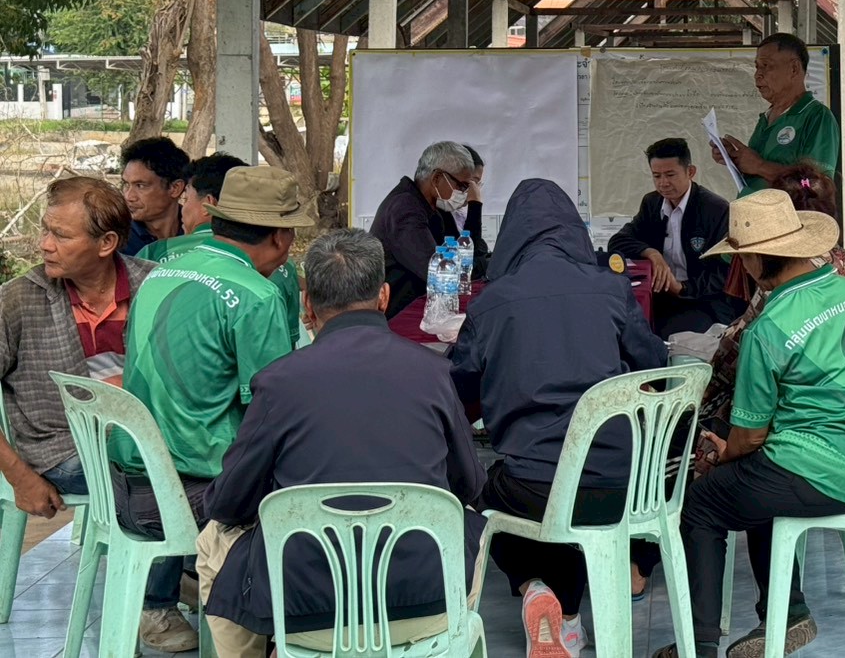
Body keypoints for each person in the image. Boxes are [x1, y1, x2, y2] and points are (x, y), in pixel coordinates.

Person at [197, 230, 488, 658]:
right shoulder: (434, 373)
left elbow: (228, 503)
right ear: (384, 296)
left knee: (213, 540)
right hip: (428, 607)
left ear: (307, 305)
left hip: (307, 620)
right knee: (468, 521)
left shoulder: (278, 383)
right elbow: (470, 485)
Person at [650, 189, 845, 658]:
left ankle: (698, 646)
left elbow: (749, 436)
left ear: (753, 259)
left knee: (703, 503)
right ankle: (787, 613)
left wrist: (724, 452)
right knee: (755, 482)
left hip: (823, 471)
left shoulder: (768, 328)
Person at [450, 179, 668, 658]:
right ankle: (571, 613)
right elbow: (655, 363)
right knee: (568, 486)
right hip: (622, 485)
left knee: (483, 498)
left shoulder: (491, 302)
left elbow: (458, 389)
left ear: (510, 235)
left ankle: (536, 588)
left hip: (534, 486)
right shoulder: (611, 288)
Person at [113, 166, 311, 652]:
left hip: (124, 485)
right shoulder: (257, 294)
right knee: (314, 481)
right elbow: (275, 414)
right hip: (184, 496)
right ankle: (290, 635)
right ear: (281, 237)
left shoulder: (161, 271)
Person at [692, 163, 845, 479]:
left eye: (745, 257)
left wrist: (696, 395)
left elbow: (737, 352)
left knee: (703, 456)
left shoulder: (782, 290)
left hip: (802, 431)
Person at [0, 178, 149, 516]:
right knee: (173, 480)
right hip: (63, 451)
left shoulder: (152, 284)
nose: (45, 245)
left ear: (106, 243)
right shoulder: (19, 299)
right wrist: (20, 477)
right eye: (45, 230)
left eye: (61, 236)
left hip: (145, 438)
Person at [138, 154, 304, 349]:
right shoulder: (261, 294)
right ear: (279, 236)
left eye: (186, 199)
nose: (182, 209)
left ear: (210, 206)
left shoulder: (154, 263)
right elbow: (280, 363)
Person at [610, 138, 736, 336]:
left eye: (670, 175)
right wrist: (651, 254)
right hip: (659, 294)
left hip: (702, 301)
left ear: (690, 172)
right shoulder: (652, 203)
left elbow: (725, 274)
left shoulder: (716, 209)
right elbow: (618, 241)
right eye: (656, 176)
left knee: (665, 335)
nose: (663, 183)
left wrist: (682, 288)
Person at [370, 141, 488, 319]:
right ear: (437, 178)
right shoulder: (405, 209)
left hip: (417, 308)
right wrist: (488, 264)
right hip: (396, 315)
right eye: (462, 186)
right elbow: (441, 275)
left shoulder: (431, 208)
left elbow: (467, 254)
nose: (465, 194)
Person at [714, 34, 840, 198]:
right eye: (757, 67)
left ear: (794, 69)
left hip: (791, 216)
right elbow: (757, 173)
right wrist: (735, 159)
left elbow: (819, 187)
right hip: (752, 213)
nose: (757, 74)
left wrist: (760, 166)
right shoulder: (766, 117)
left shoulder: (817, 116)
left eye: (766, 66)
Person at [119, 136, 190, 256]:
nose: (128, 196)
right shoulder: (117, 238)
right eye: (126, 184)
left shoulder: (198, 232)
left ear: (175, 188)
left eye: (140, 186)